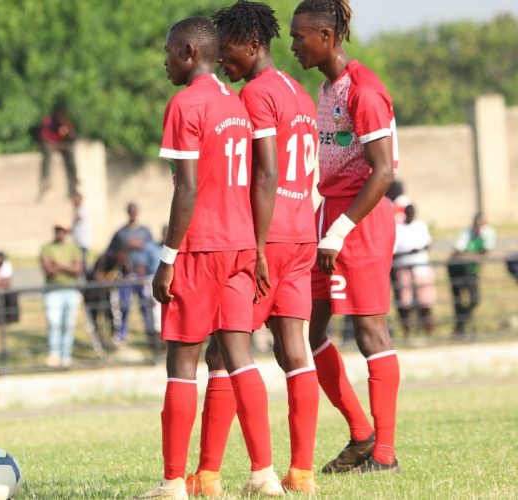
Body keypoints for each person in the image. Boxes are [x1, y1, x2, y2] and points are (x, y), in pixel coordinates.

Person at [136, 17, 280, 500]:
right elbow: (261, 176)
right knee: (240, 358)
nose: (165, 61)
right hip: (240, 245)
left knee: (182, 364)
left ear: (189, 53)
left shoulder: (185, 103)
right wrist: (257, 248)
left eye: (169, 51)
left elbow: (188, 190)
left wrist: (166, 256)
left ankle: (174, 482)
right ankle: (264, 475)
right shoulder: (236, 105)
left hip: (200, 247)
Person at [184, 2, 321, 495]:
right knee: (294, 351)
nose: (222, 59)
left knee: (224, 353)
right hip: (303, 232)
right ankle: (301, 474)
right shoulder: (300, 93)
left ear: (255, 43)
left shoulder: (257, 95)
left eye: (229, 49)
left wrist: (257, 246)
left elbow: (265, 173)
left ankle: (208, 475)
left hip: (269, 237)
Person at [291, 0, 401, 474]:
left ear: (327, 37)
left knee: (371, 333)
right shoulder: (327, 87)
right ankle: (360, 432)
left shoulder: (365, 90)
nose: (293, 45)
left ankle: (385, 453)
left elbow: (382, 174)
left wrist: (339, 230)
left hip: (361, 220)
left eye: (300, 37)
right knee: (309, 333)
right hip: (329, 217)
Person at [107, 203, 156, 346]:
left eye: (135, 211)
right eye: (130, 211)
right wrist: (120, 254)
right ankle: (121, 337)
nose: (132, 214)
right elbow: (110, 251)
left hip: (143, 276)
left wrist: (141, 246)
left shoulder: (145, 232)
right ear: (127, 212)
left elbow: (154, 250)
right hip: (126, 275)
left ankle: (150, 335)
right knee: (124, 306)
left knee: (146, 306)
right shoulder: (121, 233)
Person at [40, 222, 83, 368]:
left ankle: (66, 355)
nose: (59, 232)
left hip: (70, 290)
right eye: (57, 229)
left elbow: (78, 269)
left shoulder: (73, 248)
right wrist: (67, 266)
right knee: (54, 323)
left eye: (62, 230)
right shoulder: (47, 248)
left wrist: (59, 265)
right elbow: (48, 269)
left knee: (68, 324)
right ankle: (54, 354)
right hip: (53, 290)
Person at [447, 212, 496, 336]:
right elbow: (458, 253)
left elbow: (484, 253)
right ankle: (459, 329)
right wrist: (473, 256)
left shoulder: (488, 233)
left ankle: (461, 325)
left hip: (471, 271)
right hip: (457, 270)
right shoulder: (466, 234)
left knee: (474, 299)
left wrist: (471, 257)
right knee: (458, 301)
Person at [392, 204, 436, 335]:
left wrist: (416, 251)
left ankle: (428, 330)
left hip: (420, 268)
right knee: (406, 302)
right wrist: (410, 252)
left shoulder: (420, 226)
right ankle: (408, 331)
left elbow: (427, 244)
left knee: (425, 301)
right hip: (404, 267)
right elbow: (394, 251)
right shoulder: (398, 228)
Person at [37, 104, 79, 199]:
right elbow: (44, 138)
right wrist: (54, 144)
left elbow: (72, 138)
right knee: (47, 153)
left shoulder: (65, 123)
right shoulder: (48, 122)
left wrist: (68, 132)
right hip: (51, 145)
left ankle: (74, 178)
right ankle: (46, 178)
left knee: (70, 153)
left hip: (60, 145)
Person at [71, 192, 91, 271]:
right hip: (77, 242)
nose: (74, 201)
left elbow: (79, 218)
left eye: (76, 199)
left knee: (82, 263)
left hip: (82, 242)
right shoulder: (77, 211)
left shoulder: (82, 211)